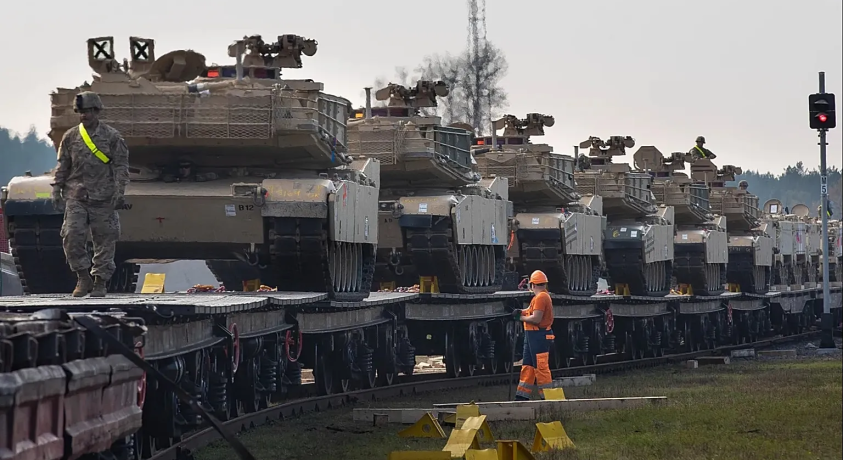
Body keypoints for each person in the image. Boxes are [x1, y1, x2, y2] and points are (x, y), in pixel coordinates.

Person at [50, 91, 130, 297]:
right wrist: (56, 188)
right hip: (77, 195)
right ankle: (83, 277)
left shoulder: (112, 137)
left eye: (88, 111)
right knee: (71, 236)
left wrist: (120, 192)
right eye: (81, 112)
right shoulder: (71, 137)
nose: (84, 116)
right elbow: (63, 165)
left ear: (96, 111)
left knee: (105, 240)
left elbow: (121, 167)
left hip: (103, 197)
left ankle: (100, 281)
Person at [511, 270, 554, 400]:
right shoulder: (539, 297)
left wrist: (520, 318)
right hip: (533, 336)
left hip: (539, 336)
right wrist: (521, 312)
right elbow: (531, 311)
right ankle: (522, 397)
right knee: (528, 367)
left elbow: (536, 319)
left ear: (532, 285)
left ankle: (548, 398)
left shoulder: (541, 297)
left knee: (540, 367)